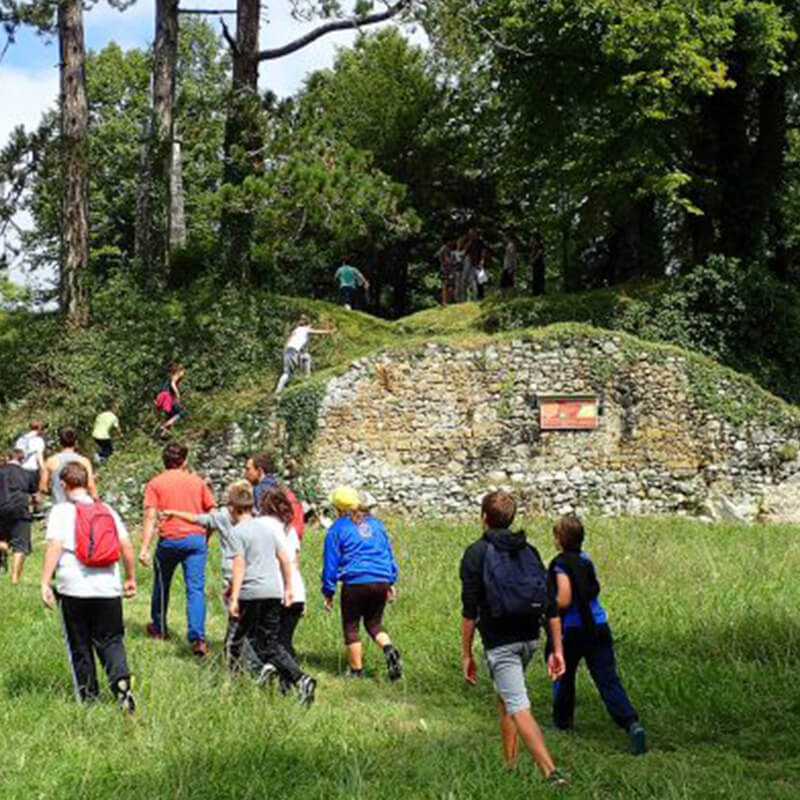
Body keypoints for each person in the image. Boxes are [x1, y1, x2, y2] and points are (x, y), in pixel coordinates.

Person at [459, 491, 568, 786]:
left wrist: (466, 653)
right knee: (505, 698)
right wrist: (557, 648)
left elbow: (469, 611)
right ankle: (509, 764)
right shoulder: (528, 550)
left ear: (483, 517)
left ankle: (551, 773)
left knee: (518, 705)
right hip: (530, 638)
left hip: (500, 643)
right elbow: (550, 604)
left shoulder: (475, 553)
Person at [40, 462, 136, 711]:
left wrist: (45, 582)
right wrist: (130, 577)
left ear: (63, 485)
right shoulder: (107, 510)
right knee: (112, 640)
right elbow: (126, 546)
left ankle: (89, 701)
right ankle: (121, 684)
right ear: (87, 482)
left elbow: (55, 546)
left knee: (80, 645)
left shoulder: (61, 512)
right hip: (108, 587)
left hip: (74, 587)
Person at [549, 515, 646, 754]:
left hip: (572, 629)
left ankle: (562, 723)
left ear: (559, 539)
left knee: (563, 676)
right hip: (598, 625)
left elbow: (564, 597)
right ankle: (631, 723)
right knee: (607, 679)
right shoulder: (585, 559)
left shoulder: (561, 564)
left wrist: (545, 602)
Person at [227, 483, 317, 705]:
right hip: (275, 591)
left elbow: (239, 564)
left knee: (238, 640)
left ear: (233, 508)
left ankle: (236, 684)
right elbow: (287, 559)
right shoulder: (275, 529)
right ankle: (297, 678)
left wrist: (234, 597)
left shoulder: (239, 531)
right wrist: (288, 589)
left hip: (252, 592)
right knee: (270, 642)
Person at [139, 442, 216, 657]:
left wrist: (144, 547)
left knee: (162, 585)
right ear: (184, 461)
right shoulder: (197, 482)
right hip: (195, 540)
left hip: (169, 540)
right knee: (195, 589)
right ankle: (198, 638)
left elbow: (150, 516)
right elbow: (213, 512)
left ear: (164, 461)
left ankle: (159, 628)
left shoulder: (155, 483)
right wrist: (205, 537)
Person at [321, 485, 402, 680]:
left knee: (351, 626)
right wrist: (390, 581)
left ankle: (356, 671)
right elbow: (387, 553)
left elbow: (330, 563)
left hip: (355, 582)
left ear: (337, 508)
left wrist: (328, 591)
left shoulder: (336, 529)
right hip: (381, 579)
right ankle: (389, 649)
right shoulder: (376, 524)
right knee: (374, 623)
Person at [259, 487, 307, 661]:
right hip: (296, 591)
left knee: (269, 642)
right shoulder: (290, 530)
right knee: (285, 641)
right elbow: (295, 563)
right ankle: (290, 680)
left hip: (274, 589)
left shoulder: (263, 527)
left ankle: (295, 677)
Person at [244, 452, 304, 538]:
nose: (246, 474)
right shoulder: (281, 487)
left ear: (259, 470)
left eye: (248, 469)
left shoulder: (259, 490)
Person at [0, 449, 39, 583]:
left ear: (8, 457)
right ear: (22, 460)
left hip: (1, 509)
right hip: (20, 510)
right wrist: (35, 506)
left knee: (3, 541)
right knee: (20, 546)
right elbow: (35, 496)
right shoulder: (27, 474)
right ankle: (15, 580)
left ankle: (3, 546)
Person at [275, 314, 334, 394]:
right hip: (293, 352)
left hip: (288, 351)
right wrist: (329, 332)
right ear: (308, 325)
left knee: (303, 359)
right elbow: (317, 332)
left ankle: (280, 390)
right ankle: (305, 379)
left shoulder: (296, 330)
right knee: (291, 371)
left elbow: (288, 340)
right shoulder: (305, 329)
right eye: (310, 326)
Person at [40, 427, 97, 505]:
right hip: (80, 509)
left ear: (60, 442)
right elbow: (91, 486)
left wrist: (54, 492)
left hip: (59, 506)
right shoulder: (84, 461)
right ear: (76, 442)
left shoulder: (51, 461)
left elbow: (43, 487)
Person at [15, 420, 45, 516]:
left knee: (23, 492)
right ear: (39, 429)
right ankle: (37, 512)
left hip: (20, 469)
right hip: (32, 469)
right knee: (35, 492)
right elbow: (39, 457)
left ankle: (24, 511)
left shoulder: (21, 439)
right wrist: (44, 470)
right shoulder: (38, 440)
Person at [155, 364, 187, 437]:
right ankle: (164, 426)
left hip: (162, 397)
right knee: (182, 412)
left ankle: (163, 433)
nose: (184, 374)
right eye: (183, 372)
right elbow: (173, 384)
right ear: (179, 371)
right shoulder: (175, 376)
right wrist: (177, 394)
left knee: (171, 415)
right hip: (166, 397)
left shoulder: (168, 379)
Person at [530, 231, 546, 296]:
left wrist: (534, 259)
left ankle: (540, 291)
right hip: (536, 263)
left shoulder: (540, 244)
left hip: (539, 263)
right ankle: (535, 292)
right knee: (535, 277)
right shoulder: (534, 245)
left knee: (540, 277)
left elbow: (540, 252)